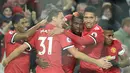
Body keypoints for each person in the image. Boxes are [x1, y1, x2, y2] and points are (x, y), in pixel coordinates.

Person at [3, 8, 112, 73]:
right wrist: (97, 62)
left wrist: (7, 59)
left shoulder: (38, 32)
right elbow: (76, 54)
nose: (63, 20)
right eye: (61, 17)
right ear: (54, 18)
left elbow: (21, 49)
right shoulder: (60, 33)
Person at [49, 6, 105, 73]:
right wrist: (64, 20)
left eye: (91, 18)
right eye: (86, 17)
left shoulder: (97, 30)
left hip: (94, 70)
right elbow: (71, 17)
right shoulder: (83, 27)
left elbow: (82, 41)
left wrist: (63, 31)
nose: (88, 21)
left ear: (96, 19)